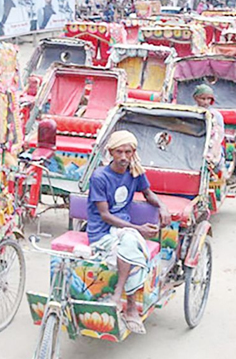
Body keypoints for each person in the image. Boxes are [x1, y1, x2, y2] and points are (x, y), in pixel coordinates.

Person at [87, 130, 171, 335]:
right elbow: (105, 215)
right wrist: (138, 229)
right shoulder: (99, 177)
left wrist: (163, 206)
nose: (123, 157)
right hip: (102, 232)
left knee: (130, 240)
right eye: (119, 152)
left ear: (133, 152)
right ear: (111, 153)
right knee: (131, 240)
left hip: (123, 230)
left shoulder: (135, 172)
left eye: (128, 152)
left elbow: (148, 193)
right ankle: (128, 304)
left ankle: (123, 300)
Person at [192, 84, 226, 174]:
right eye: (203, 99)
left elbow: (219, 136)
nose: (206, 102)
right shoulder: (191, 112)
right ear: (195, 98)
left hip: (211, 145)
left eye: (208, 99)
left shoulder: (216, 115)